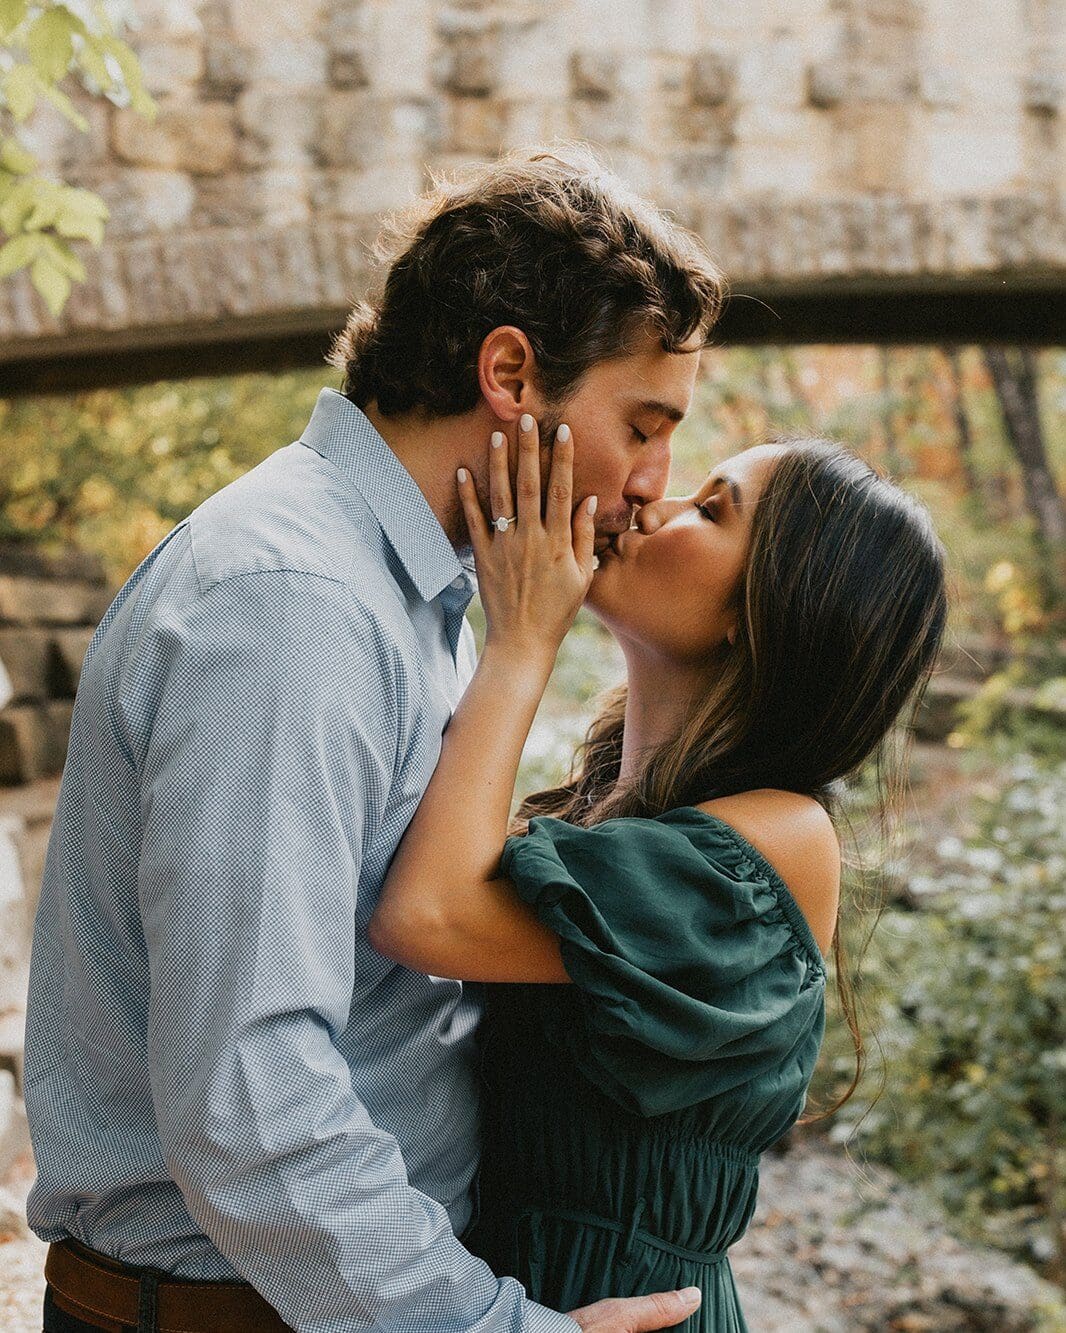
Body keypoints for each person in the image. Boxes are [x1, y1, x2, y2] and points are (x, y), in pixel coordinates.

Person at [23, 142, 727, 1333]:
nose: (654, 481)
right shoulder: (295, 604)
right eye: (642, 425)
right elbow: (252, 1102)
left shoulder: (410, 592)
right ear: (511, 372)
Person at [369, 412, 948, 1330]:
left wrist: (523, 639)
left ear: (762, 613)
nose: (652, 504)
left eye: (711, 510)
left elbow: (426, 915)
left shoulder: (783, 841)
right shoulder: (594, 813)